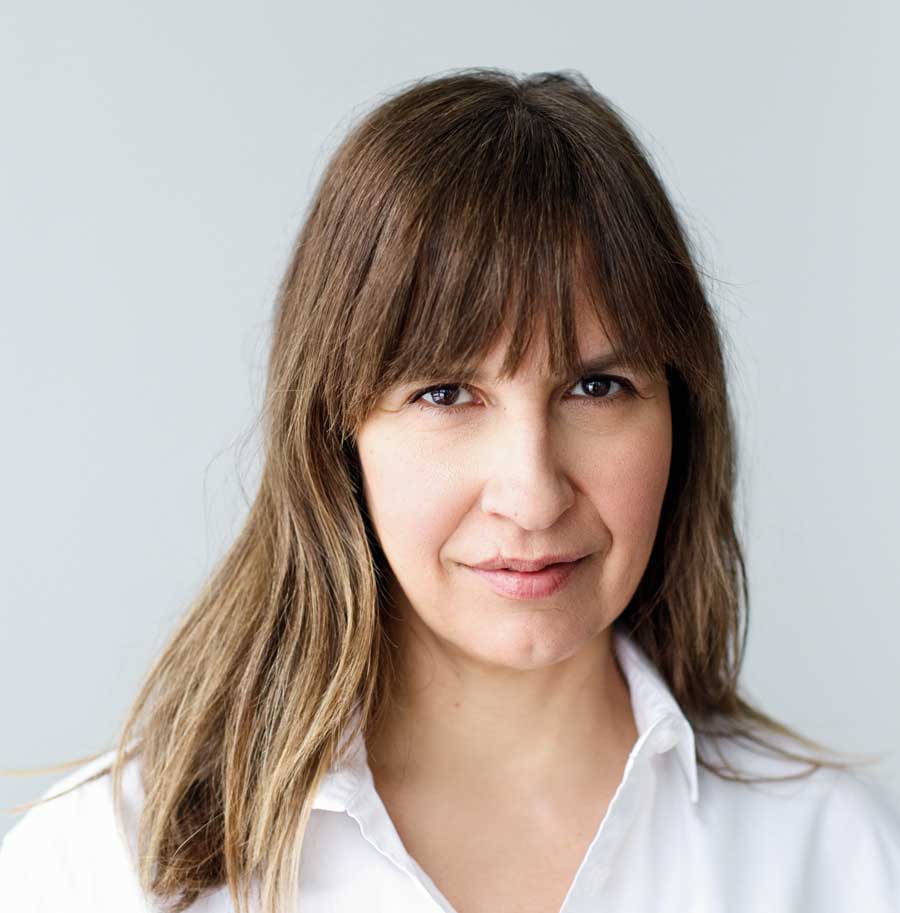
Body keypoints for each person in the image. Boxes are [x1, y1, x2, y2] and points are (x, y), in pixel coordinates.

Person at [1, 67, 898, 913]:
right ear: (338, 435)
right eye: (445, 394)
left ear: (682, 416)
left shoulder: (828, 857)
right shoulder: (101, 869)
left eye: (596, 387)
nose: (533, 493)